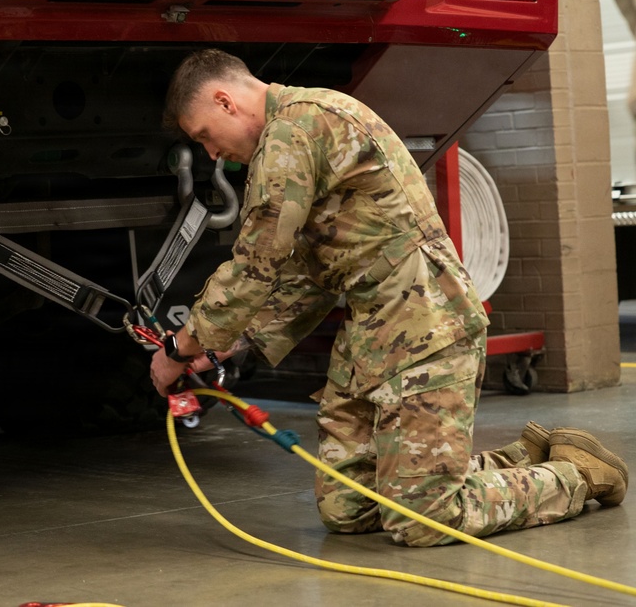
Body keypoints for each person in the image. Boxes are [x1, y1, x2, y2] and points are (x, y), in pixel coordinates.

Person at [149, 48, 629, 547]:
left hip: (425, 322)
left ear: (225, 101)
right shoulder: (302, 125)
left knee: (424, 519)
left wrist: (179, 349)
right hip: (373, 330)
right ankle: (520, 459)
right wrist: (239, 338)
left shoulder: (294, 130)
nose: (211, 153)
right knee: (347, 507)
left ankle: (576, 474)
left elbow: (256, 262)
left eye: (204, 135)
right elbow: (311, 274)